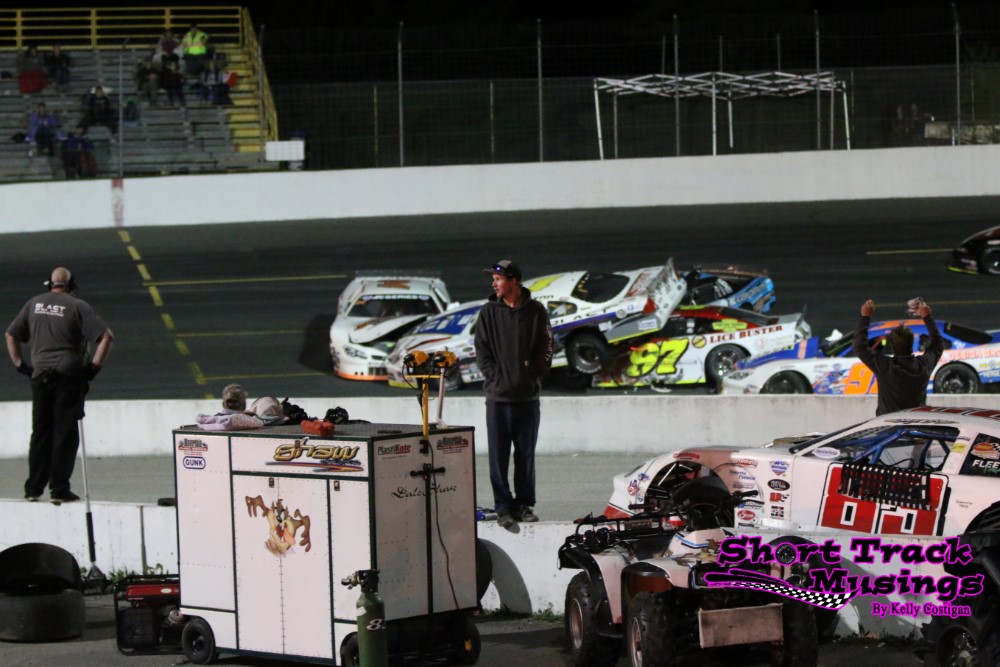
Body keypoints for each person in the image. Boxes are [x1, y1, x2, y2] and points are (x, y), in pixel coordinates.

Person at [5, 267, 114, 503]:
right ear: (71, 284)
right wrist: (93, 367)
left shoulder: (33, 304)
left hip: (40, 377)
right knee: (65, 433)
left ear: (50, 283)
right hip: (69, 377)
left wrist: (21, 365)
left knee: (40, 433)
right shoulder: (79, 306)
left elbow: (10, 334)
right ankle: (59, 489)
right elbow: (107, 336)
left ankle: (33, 489)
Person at [473, 259, 552, 528]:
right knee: (498, 457)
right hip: (497, 399)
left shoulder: (536, 311)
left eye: (498, 279)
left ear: (513, 281)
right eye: (493, 279)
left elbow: (547, 346)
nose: (494, 284)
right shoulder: (488, 312)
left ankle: (524, 505)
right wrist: (495, 376)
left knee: (525, 456)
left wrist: (533, 375)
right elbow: (481, 351)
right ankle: (503, 507)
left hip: (527, 399)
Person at [852, 298, 943, 416]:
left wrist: (865, 317)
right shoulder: (922, 366)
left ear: (891, 346)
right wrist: (927, 317)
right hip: (915, 423)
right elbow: (937, 345)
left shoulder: (885, 367)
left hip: (888, 425)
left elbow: (859, 347)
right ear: (911, 344)